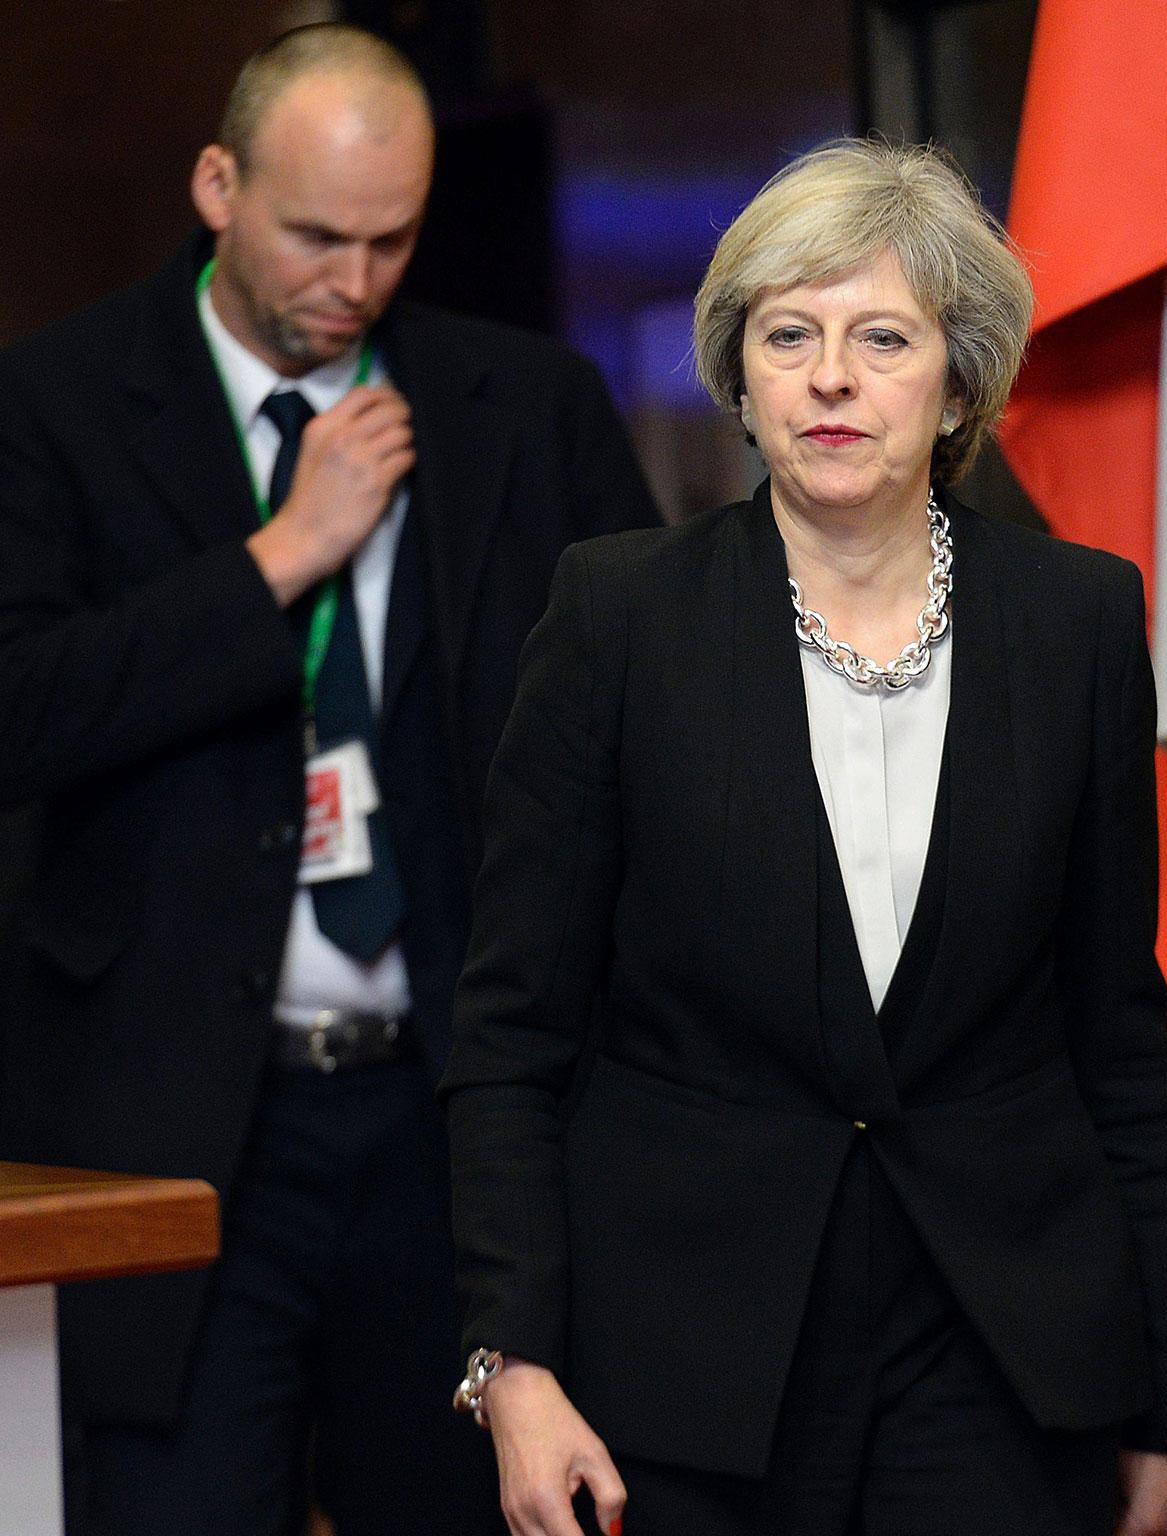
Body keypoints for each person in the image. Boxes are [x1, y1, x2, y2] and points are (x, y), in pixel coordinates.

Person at [441, 137, 1167, 1536]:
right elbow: (511, 1032)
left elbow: (1118, 1036)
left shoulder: (1077, 621)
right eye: (788, 336)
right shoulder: (618, 618)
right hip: (683, 1369)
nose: (832, 378)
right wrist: (517, 1368)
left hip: (1003, 1360)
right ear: (740, 377)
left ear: (960, 379)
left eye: (882, 338)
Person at [0, 24, 659, 1536]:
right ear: (218, 184)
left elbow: (638, 740)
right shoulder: (55, 402)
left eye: (390, 240)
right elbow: (16, 712)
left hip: (448, 1127)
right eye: (313, 235)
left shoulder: (527, 406)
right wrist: (281, 559)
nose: (350, 284)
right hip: (171, 1124)